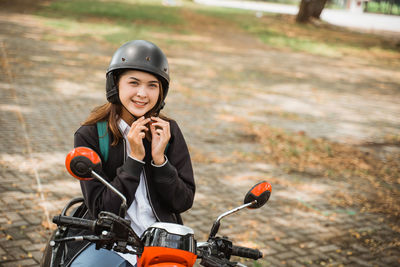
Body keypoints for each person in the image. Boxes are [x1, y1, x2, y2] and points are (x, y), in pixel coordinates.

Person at [69, 40, 195, 266]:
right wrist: (134, 160)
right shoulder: (89, 135)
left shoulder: (168, 131)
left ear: (162, 91)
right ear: (115, 84)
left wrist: (160, 161)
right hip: (110, 241)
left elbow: (183, 201)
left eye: (152, 85)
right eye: (133, 83)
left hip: (162, 240)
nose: (142, 94)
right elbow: (101, 209)